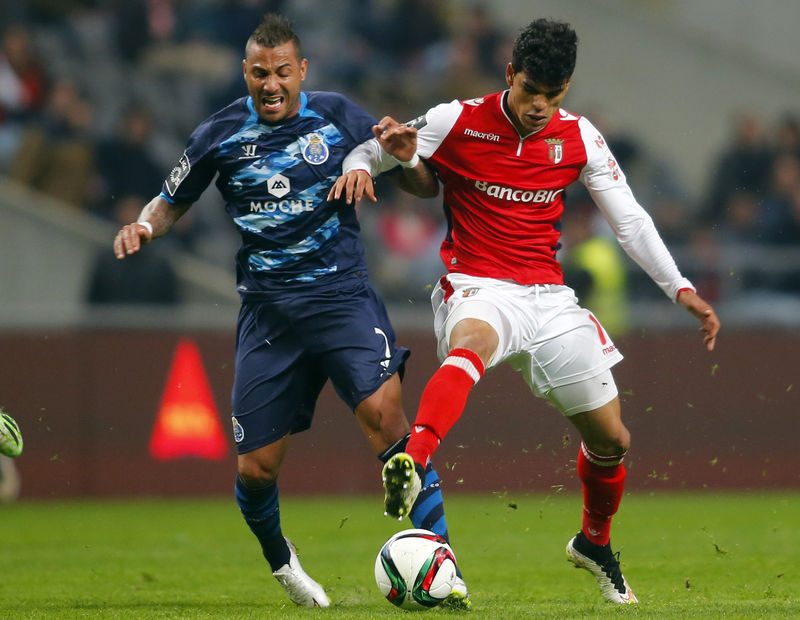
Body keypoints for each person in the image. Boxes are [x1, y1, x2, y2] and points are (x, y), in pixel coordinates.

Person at [330, 17, 720, 606]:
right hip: (477, 284)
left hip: (549, 297)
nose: (539, 106)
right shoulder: (453, 119)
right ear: (509, 73)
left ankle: (594, 542)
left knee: (613, 440)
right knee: (472, 345)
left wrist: (678, 287)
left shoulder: (579, 136)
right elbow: (381, 152)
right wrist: (363, 165)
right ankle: (414, 459)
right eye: (530, 90)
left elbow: (630, 218)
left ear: (566, 88)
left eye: (552, 94)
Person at [112, 13, 467, 609]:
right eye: (259, 72)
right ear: (244, 73)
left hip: (342, 296)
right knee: (256, 469)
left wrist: (406, 160)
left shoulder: (339, 115)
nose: (271, 83)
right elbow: (171, 199)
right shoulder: (217, 135)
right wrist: (145, 225)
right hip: (269, 313)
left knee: (386, 418)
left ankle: (442, 563)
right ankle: (284, 564)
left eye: (282, 71)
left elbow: (422, 187)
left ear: (302, 71)